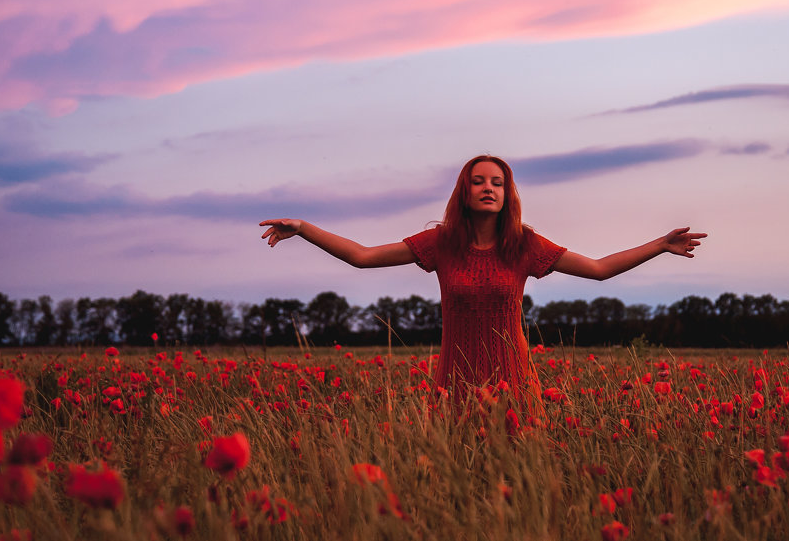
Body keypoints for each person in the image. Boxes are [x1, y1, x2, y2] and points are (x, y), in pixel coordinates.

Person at [260, 154, 706, 401]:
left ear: (507, 193)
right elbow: (362, 256)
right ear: (465, 192)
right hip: (454, 385)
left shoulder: (524, 245)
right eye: (478, 181)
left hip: (515, 384)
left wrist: (658, 245)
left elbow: (599, 270)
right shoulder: (441, 243)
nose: (488, 187)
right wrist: (304, 229)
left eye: (497, 181)